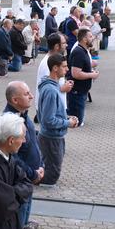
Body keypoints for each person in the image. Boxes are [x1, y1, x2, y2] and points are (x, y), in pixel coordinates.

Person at [2, 80, 42, 229]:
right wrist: (33, 173)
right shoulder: (10, 122)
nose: (31, 96)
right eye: (26, 94)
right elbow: (13, 157)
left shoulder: (24, 115)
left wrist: (41, 165)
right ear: (14, 100)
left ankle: (23, 227)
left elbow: (33, 142)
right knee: (21, 206)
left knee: (27, 203)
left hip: (30, 176)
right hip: (20, 179)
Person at [37, 53, 77, 185]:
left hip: (53, 137)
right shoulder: (51, 91)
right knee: (50, 176)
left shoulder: (52, 87)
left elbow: (51, 114)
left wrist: (66, 118)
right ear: (55, 68)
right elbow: (48, 120)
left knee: (50, 171)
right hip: (51, 138)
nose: (67, 69)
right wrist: (68, 123)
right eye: (64, 67)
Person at [67, 27, 98, 125]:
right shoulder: (78, 52)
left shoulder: (84, 51)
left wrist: (90, 70)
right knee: (76, 122)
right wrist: (91, 75)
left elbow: (82, 68)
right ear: (84, 39)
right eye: (90, 36)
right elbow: (75, 73)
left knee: (78, 120)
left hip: (82, 91)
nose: (92, 38)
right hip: (77, 92)